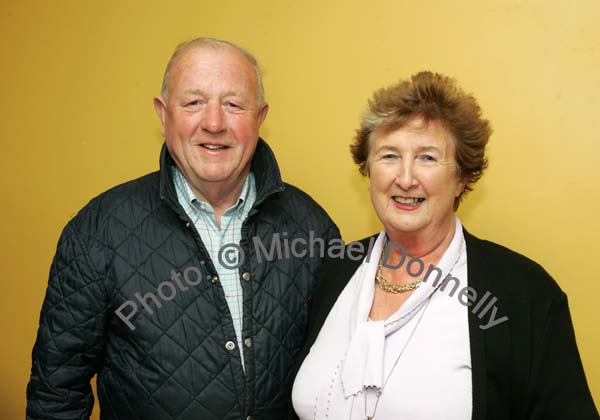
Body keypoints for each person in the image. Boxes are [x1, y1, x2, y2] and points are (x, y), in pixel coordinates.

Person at [27, 37, 339, 420]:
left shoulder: (311, 227)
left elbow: (337, 377)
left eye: (234, 104)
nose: (213, 123)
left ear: (259, 118)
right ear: (163, 115)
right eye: (193, 103)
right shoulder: (98, 230)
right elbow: (56, 392)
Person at [291, 72, 598, 419]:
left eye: (428, 158)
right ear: (368, 170)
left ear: (462, 179)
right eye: (389, 156)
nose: (405, 179)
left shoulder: (524, 294)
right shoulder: (334, 272)